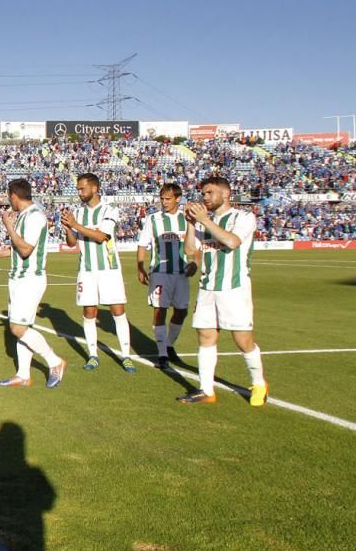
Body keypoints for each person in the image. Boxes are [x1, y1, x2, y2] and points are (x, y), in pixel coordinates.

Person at [178, 177, 268, 406]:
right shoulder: (202, 221)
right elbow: (190, 250)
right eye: (203, 194)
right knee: (206, 337)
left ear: (225, 194)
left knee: (242, 339)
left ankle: (259, 383)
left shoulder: (244, 217)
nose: (205, 197)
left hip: (234, 288)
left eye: (209, 193)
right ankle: (206, 390)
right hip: (208, 287)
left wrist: (204, 220)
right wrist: (190, 223)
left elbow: (232, 242)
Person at [0, 179, 67, 389]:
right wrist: (1, 253)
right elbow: (19, 249)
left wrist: (9, 227)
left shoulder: (35, 216)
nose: (9, 201)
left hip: (30, 279)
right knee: (23, 326)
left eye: (9, 197)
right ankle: (23, 374)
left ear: (14, 195)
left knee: (17, 327)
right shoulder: (24, 215)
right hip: (18, 278)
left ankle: (55, 362)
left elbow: (25, 249)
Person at [60, 173, 136, 373]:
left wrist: (75, 225)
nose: (79, 192)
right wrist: (68, 227)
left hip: (109, 269)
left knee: (117, 311)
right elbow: (72, 243)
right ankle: (93, 355)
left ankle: (126, 356)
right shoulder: (79, 212)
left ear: (94, 188)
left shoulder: (109, 210)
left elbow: (102, 236)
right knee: (89, 312)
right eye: (77, 189)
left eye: (82, 188)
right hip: (86, 269)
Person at [136, 183, 195, 369]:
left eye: (168, 199)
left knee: (182, 311)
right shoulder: (153, 219)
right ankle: (162, 354)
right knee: (159, 310)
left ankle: (169, 346)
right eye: (162, 198)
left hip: (181, 273)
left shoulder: (188, 219)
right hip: (160, 273)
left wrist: (195, 262)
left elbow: (197, 245)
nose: (164, 202)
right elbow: (142, 245)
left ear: (178, 199)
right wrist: (140, 267)